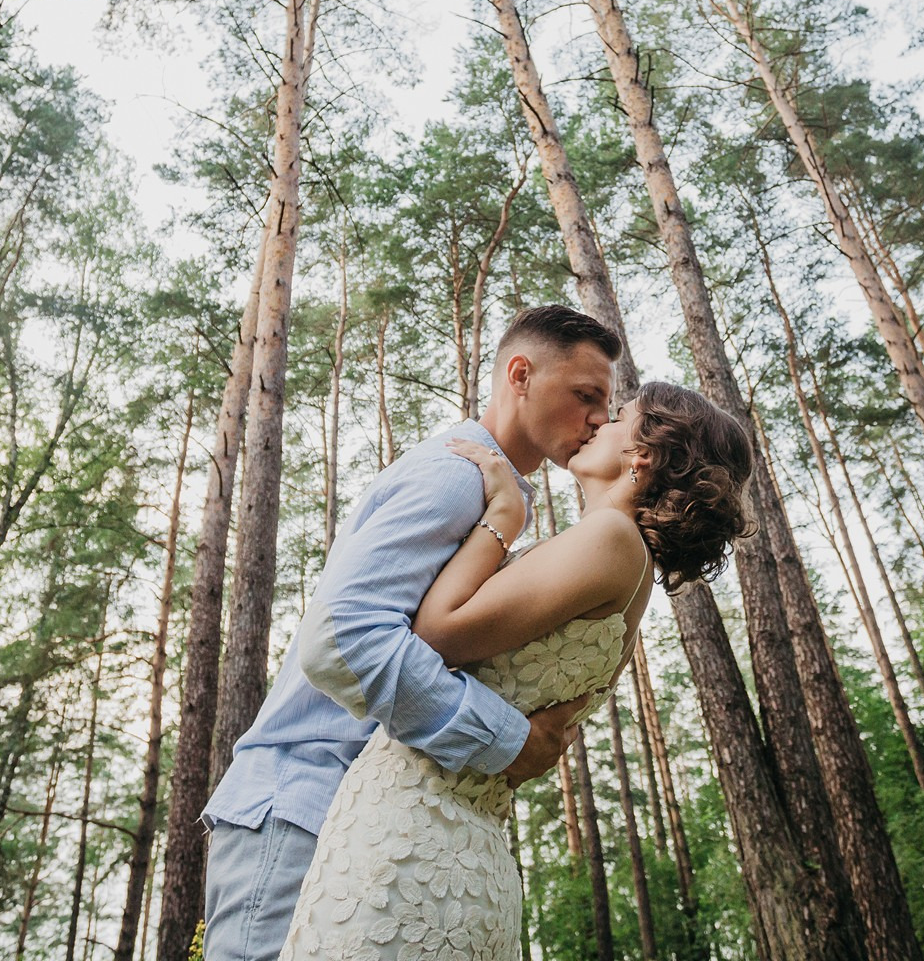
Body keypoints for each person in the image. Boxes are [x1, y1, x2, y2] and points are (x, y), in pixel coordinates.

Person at [200, 305, 624, 961]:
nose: (599, 418)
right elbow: (342, 638)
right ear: (520, 375)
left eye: (606, 403)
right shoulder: (456, 476)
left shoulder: (492, 495)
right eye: (585, 396)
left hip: (353, 823)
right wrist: (508, 741)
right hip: (300, 806)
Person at [277, 379, 753, 961]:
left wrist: (503, 515)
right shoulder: (630, 572)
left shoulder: (608, 538)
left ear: (645, 453)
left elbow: (435, 633)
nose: (600, 420)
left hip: (407, 840)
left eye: (619, 414)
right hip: (459, 847)